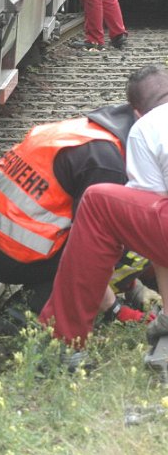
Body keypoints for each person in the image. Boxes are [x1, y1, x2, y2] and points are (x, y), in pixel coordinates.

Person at [0, 102, 147, 320]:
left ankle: (119, 289)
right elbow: (88, 251)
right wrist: (115, 310)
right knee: (140, 235)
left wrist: (132, 286)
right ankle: (32, 307)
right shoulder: (107, 164)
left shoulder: (89, 132)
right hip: (10, 255)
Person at [39, 64, 168, 348]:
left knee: (98, 203)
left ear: (136, 113)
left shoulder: (145, 127)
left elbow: (152, 222)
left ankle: (63, 340)